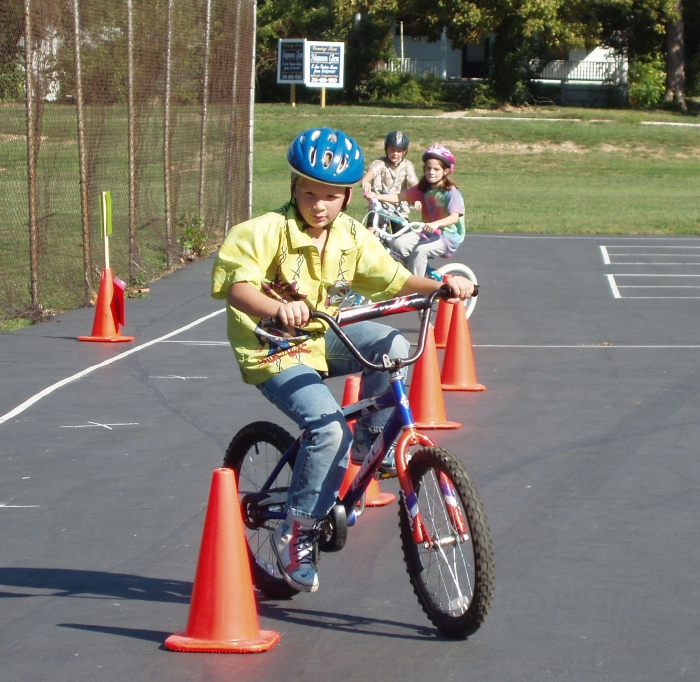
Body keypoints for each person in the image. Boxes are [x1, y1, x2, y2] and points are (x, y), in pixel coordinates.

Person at [211, 128, 474, 594]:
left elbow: (391, 278)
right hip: (273, 347)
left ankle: (372, 445)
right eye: (310, 193)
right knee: (327, 427)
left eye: (331, 196)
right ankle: (297, 531)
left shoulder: (352, 235)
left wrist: (440, 286)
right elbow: (238, 286)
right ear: (293, 188)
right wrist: (277, 309)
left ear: (348, 196)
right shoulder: (261, 232)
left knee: (392, 345)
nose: (319, 205)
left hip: (322, 332)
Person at [366, 143, 465, 278]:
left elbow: (454, 217)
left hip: (447, 236)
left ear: (446, 171)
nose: (431, 172)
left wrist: (436, 224)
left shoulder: (450, 192)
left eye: (436, 169)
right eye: (428, 168)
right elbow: (398, 197)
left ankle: (417, 289)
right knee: (397, 244)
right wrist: (376, 196)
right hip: (427, 232)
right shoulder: (422, 189)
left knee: (420, 251)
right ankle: (415, 270)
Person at [361, 130, 419, 227]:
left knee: (402, 239)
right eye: (392, 149)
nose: (395, 153)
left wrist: (417, 198)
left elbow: (413, 184)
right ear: (386, 149)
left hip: (399, 208)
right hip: (379, 206)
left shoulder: (407, 165)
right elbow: (371, 172)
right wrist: (366, 180)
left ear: (404, 152)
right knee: (372, 233)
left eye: (399, 151)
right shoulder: (380, 162)